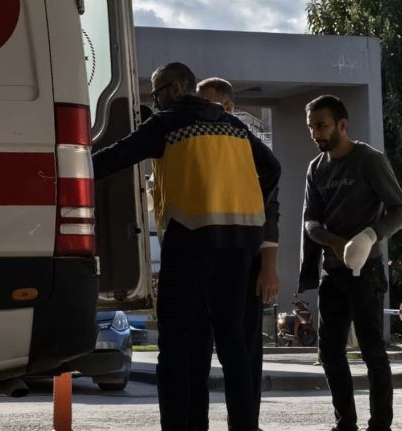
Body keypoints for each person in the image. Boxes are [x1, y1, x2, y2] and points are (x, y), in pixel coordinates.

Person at [93, 62, 281, 431]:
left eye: (157, 93)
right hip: (238, 248)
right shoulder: (235, 125)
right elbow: (272, 167)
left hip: (190, 243)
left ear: (177, 88)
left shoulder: (169, 123)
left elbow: (117, 155)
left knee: (176, 348)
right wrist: (248, 206)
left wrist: (71, 168)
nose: (156, 102)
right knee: (233, 346)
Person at [298, 95, 402, 431]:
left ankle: (380, 425)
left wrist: (369, 235)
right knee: (330, 353)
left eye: (321, 126)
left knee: (372, 352)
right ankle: (345, 423)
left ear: (342, 125)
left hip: (367, 272)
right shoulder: (316, 168)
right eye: (311, 127)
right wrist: (333, 241)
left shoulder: (369, 160)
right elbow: (310, 221)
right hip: (332, 272)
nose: (315, 133)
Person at [189, 77, 280, 431]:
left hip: (245, 263)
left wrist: (268, 268)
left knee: (244, 350)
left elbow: (271, 211)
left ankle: (245, 424)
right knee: (198, 349)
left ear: (227, 107)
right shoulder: (197, 144)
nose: (200, 111)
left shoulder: (251, 149)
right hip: (202, 260)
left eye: (207, 103)